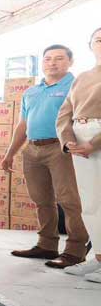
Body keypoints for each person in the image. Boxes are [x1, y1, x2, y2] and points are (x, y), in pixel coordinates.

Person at [6, 45, 90, 268]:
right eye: (48, 59)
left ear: (70, 62)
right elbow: (22, 125)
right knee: (42, 200)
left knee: (69, 201)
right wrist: (10, 153)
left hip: (61, 148)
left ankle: (75, 250)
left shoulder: (76, 85)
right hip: (33, 149)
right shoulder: (31, 92)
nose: (52, 63)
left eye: (59, 58)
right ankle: (47, 245)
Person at [57, 27, 101, 281]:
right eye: (98, 39)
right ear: (90, 45)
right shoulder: (82, 77)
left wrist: (94, 143)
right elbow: (65, 112)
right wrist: (68, 140)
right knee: (91, 202)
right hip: (79, 135)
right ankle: (97, 258)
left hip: (96, 137)